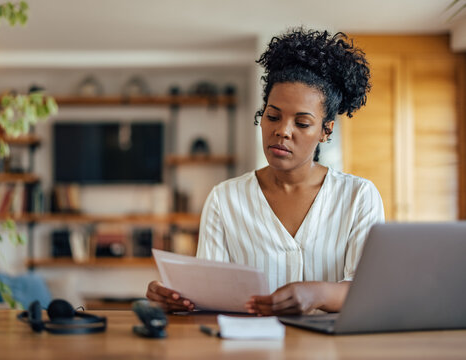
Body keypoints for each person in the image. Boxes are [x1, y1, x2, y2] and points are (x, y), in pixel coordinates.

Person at [146, 28, 384, 315]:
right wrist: (175, 297)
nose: (282, 131)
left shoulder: (359, 196)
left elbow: (370, 292)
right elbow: (210, 298)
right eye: (273, 116)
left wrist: (317, 293)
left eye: (302, 123)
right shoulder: (225, 199)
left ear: (325, 130)